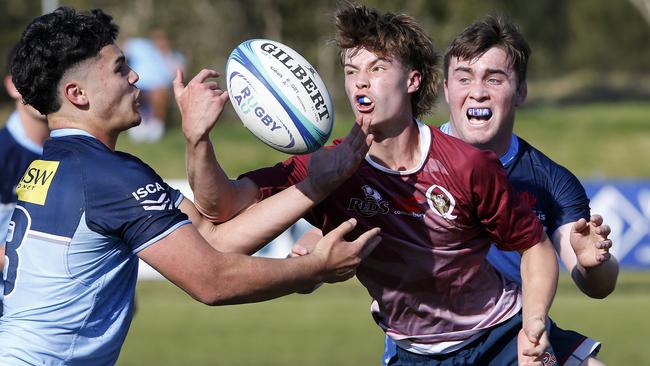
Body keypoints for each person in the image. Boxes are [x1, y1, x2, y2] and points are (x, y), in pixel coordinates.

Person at [183, 4, 569, 365]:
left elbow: (534, 246)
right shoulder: (324, 167)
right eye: (352, 72)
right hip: (411, 351)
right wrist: (197, 141)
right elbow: (222, 208)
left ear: (413, 80)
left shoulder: (467, 164)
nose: (361, 84)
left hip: (499, 335)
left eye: (378, 68)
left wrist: (534, 321)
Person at [0, 7, 381, 365]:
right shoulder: (106, 177)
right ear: (77, 95)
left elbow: (211, 239)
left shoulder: (55, 166)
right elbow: (211, 281)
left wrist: (316, 185)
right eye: (120, 69)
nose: (135, 76)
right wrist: (318, 267)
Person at [376, 15, 619, 366]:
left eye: (495, 78)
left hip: (510, 336)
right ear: (446, 89)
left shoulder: (549, 180)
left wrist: (593, 262)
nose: (478, 91)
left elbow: (598, 285)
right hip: (427, 348)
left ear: (520, 91)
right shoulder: (407, 159)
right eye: (465, 78)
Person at [0, 49, 50, 306]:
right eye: (32, 78)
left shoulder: (72, 155)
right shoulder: (3, 155)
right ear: (12, 86)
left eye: (52, 77)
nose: (42, 87)